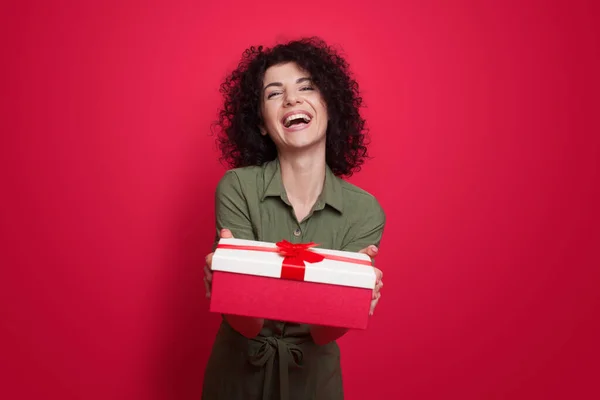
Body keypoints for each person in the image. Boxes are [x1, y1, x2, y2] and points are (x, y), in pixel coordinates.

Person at [201, 37, 386, 400]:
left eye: (307, 87)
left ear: (329, 106)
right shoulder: (237, 187)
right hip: (236, 381)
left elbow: (321, 333)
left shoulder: (365, 211)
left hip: (315, 385)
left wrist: (354, 302)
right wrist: (230, 290)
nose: (291, 99)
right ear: (263, 124)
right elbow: (247, 322)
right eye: (274, 93)